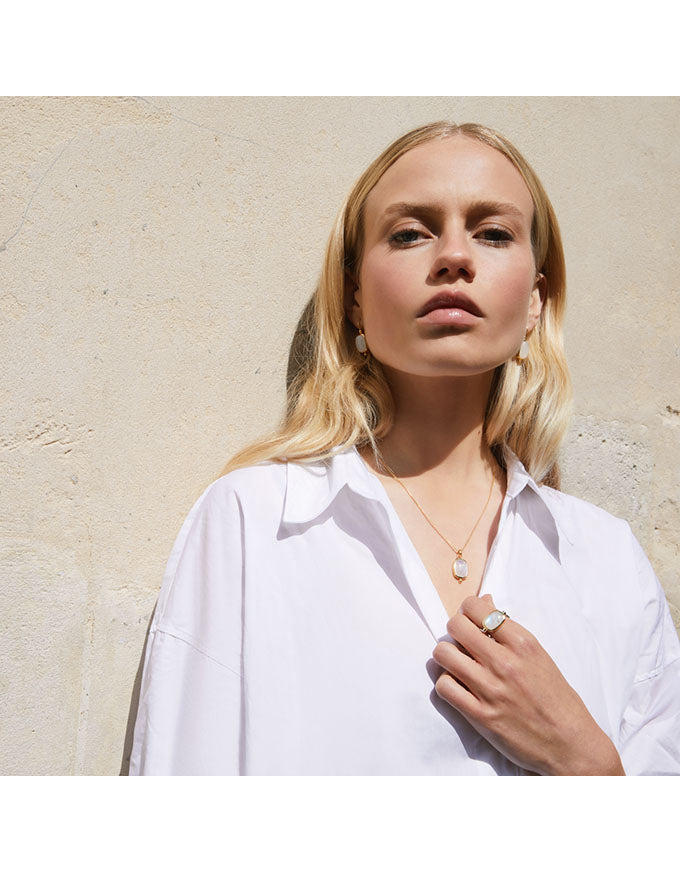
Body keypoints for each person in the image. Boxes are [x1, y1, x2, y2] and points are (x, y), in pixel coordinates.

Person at [129, 121, 680, 776]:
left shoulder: (609, 563)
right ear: (356, 296)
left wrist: (585, 763)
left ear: (535, 300)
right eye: (410, 233)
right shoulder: (254, 525)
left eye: (494, 233)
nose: (454, 257)